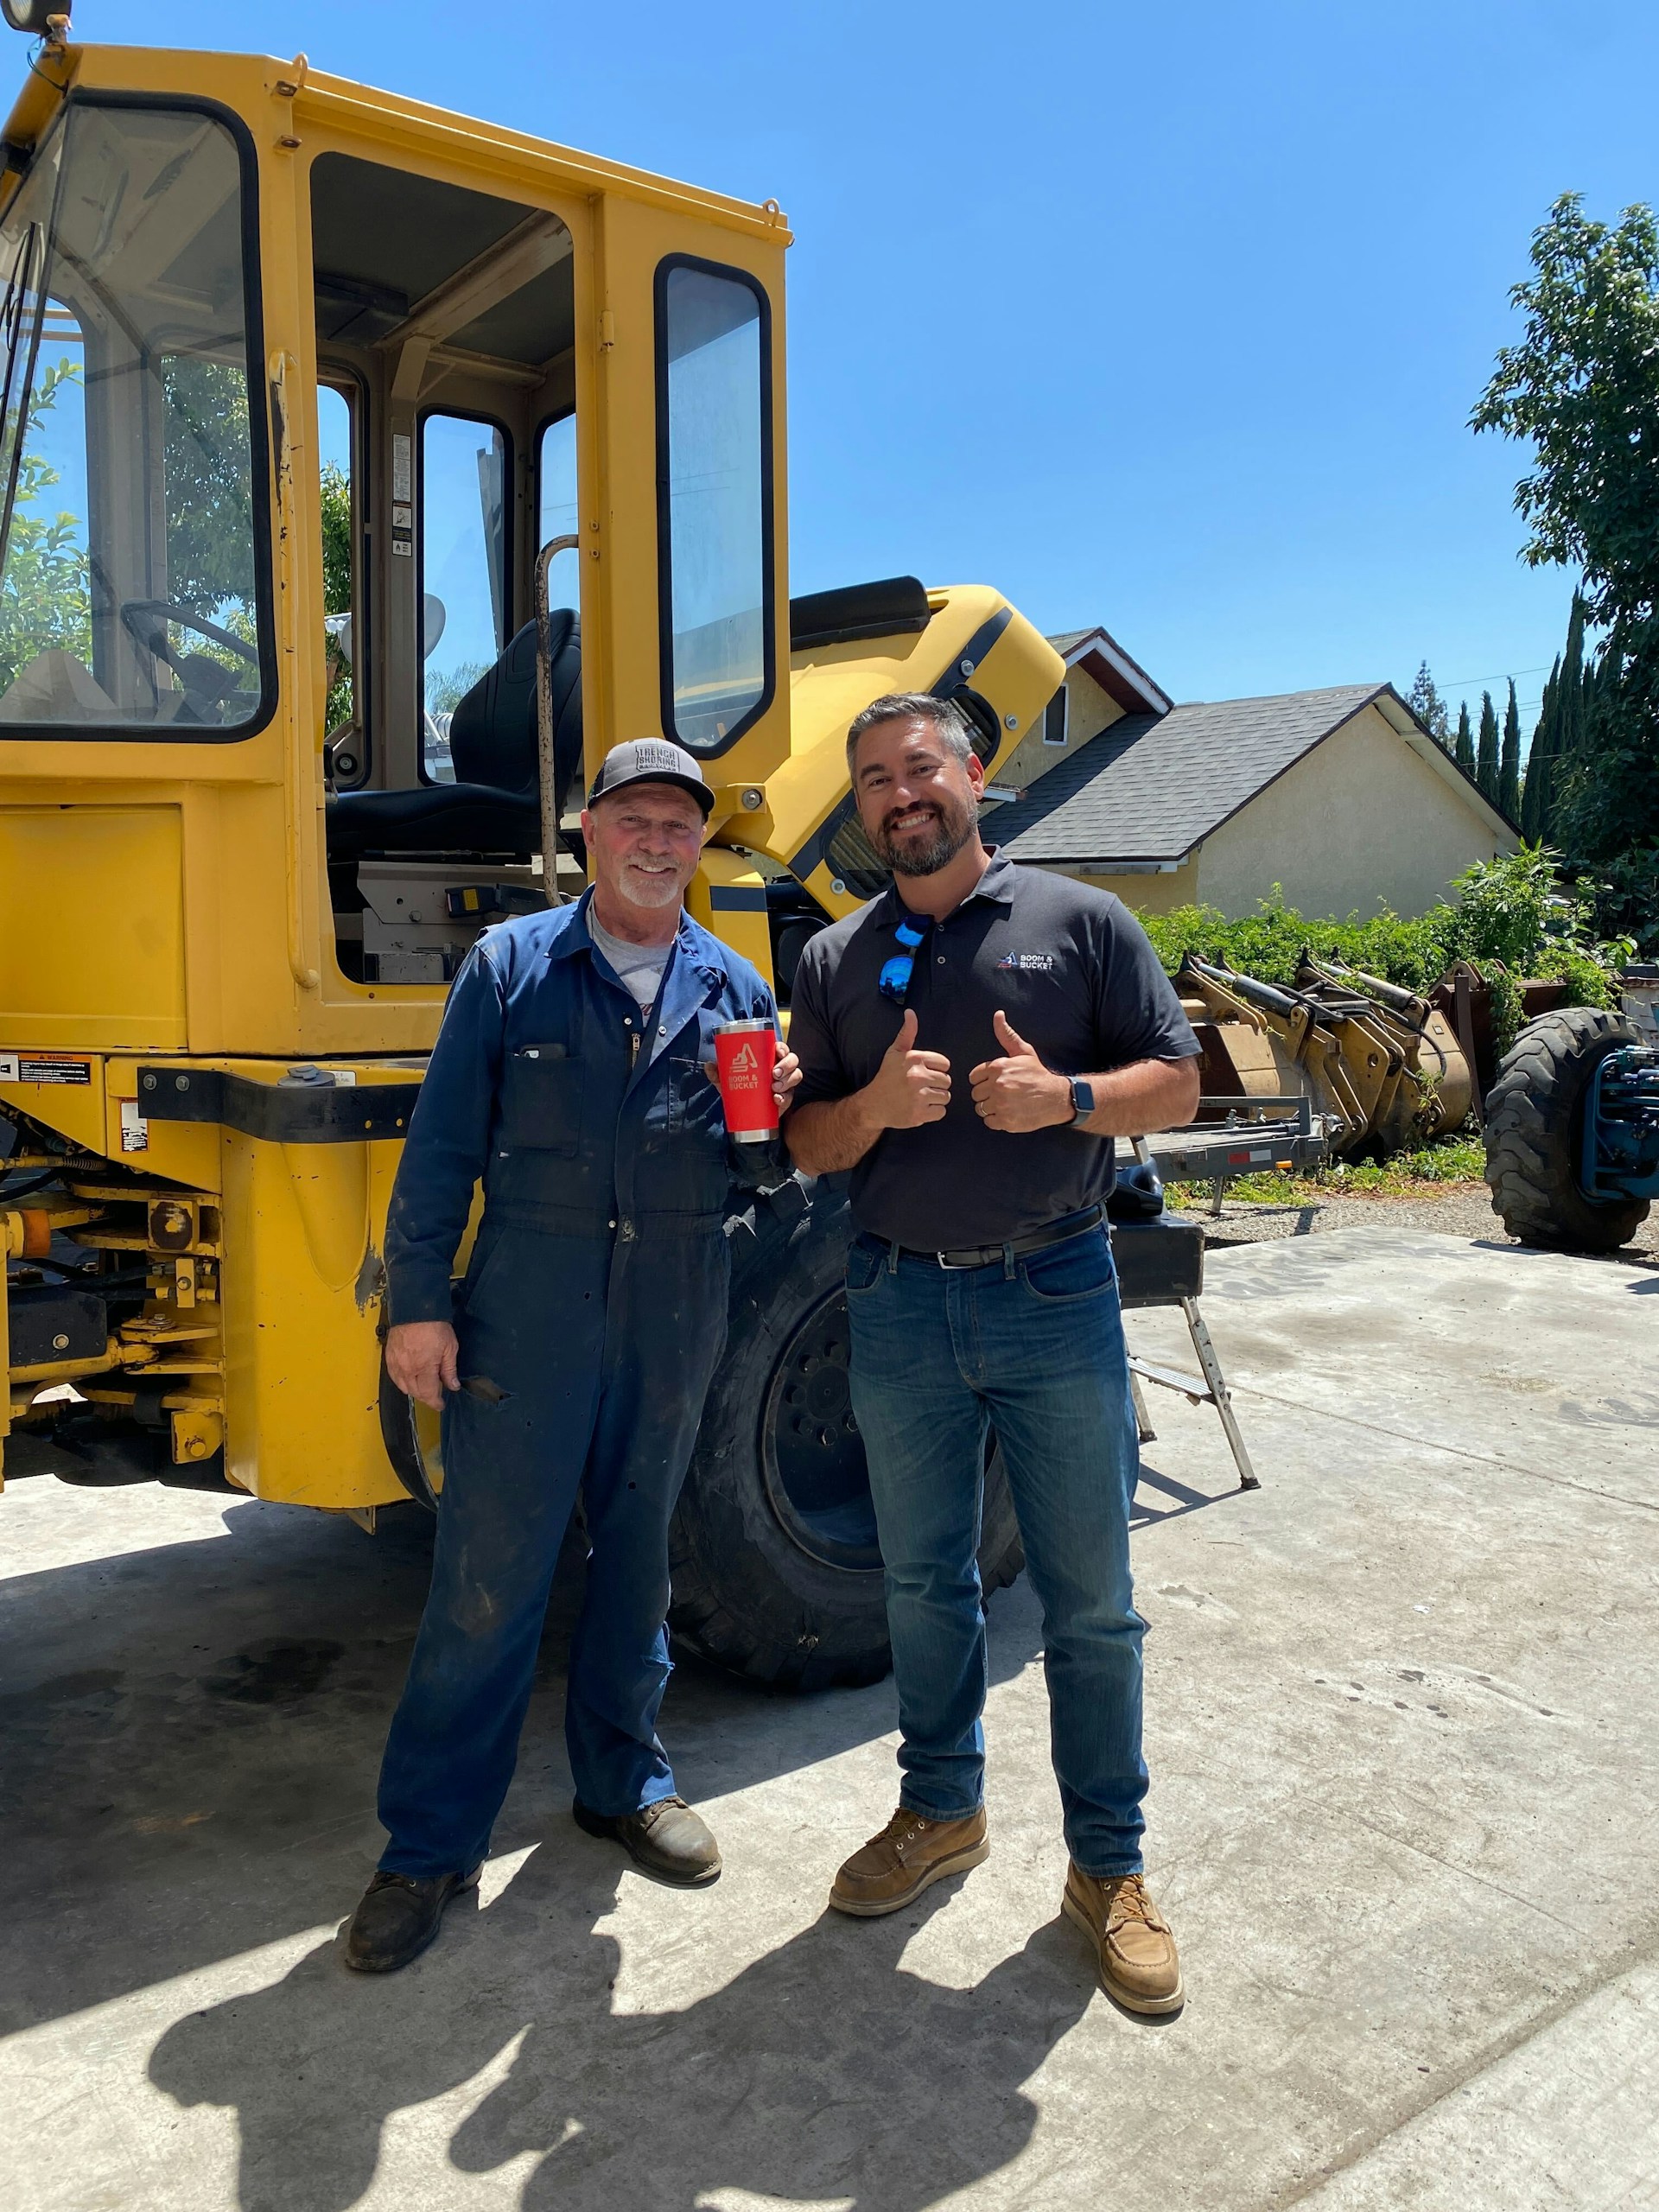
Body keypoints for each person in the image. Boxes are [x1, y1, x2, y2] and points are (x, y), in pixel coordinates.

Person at [345, 738, 800, 1974]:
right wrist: (418, 1306)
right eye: (634, 821)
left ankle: (624, 1782)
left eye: (680, 825)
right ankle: (430, 1845)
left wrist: (780, 1123)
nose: (659, 842)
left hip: (674, 1299)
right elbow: (440, 1150)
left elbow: (761, 1175)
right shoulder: (511, 965)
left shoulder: (736, 987)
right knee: (488, 1578)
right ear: (588, 834)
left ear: (700, 844)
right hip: (528, 1306)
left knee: (641, 1556)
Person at [784, 692, 1201, 2018]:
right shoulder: (838, 959)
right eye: (873, 781)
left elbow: (1182, 1086)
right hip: (896, 1304)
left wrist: (1066, 1099)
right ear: (857, 810)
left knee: (1090, 1605)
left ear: (974, 776)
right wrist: (867, 1108)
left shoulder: (1080, 923)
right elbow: (803, 1145)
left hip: (1052, 1290)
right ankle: (941, 1810)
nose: (901, 795)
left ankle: (1109, 1871)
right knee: (923, 1585)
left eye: (922, 769)